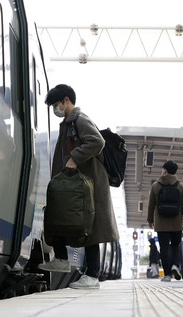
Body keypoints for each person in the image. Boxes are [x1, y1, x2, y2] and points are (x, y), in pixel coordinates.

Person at [38, 84, 120, 289]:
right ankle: (62, 260)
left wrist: (75, 158)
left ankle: (92, 276)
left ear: (66, 101)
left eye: (56, 104)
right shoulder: (68, 122)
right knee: (57, 217)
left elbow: (97, 141)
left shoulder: (80, 119)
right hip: (75, 186)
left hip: (88, 185)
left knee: (90, 230)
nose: (55, 109)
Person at [147, 160, 183, 282]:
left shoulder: (155, 186)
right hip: (176, 222)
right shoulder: (181, 186)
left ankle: (167, 275)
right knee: (176, 246)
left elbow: (151, 205)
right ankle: (175, 265)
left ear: (165, 170)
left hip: (161, 223)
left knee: (164, 248)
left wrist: (150, 220)